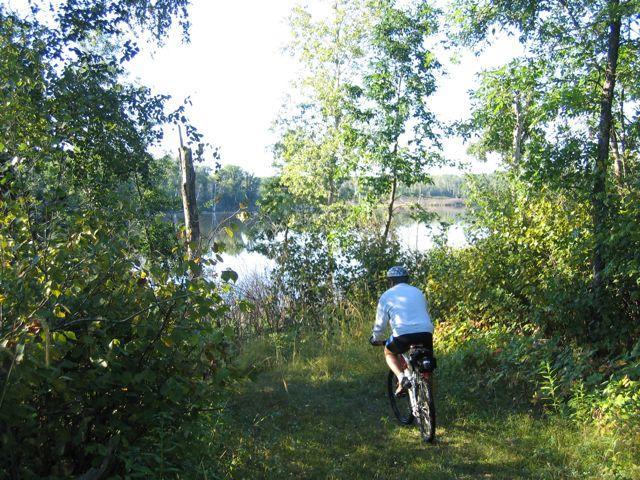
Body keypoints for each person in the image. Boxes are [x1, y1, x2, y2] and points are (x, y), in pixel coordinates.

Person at [369, 265, 434, 395]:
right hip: (426, 332)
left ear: (391, 281)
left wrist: (375, 338)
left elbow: (380, 325)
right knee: (427, 358)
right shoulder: (418, 292)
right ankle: (427, 389)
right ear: (407, 279)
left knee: (389, 352)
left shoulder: (386, 296)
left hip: (402, 335)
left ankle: (401, 378)